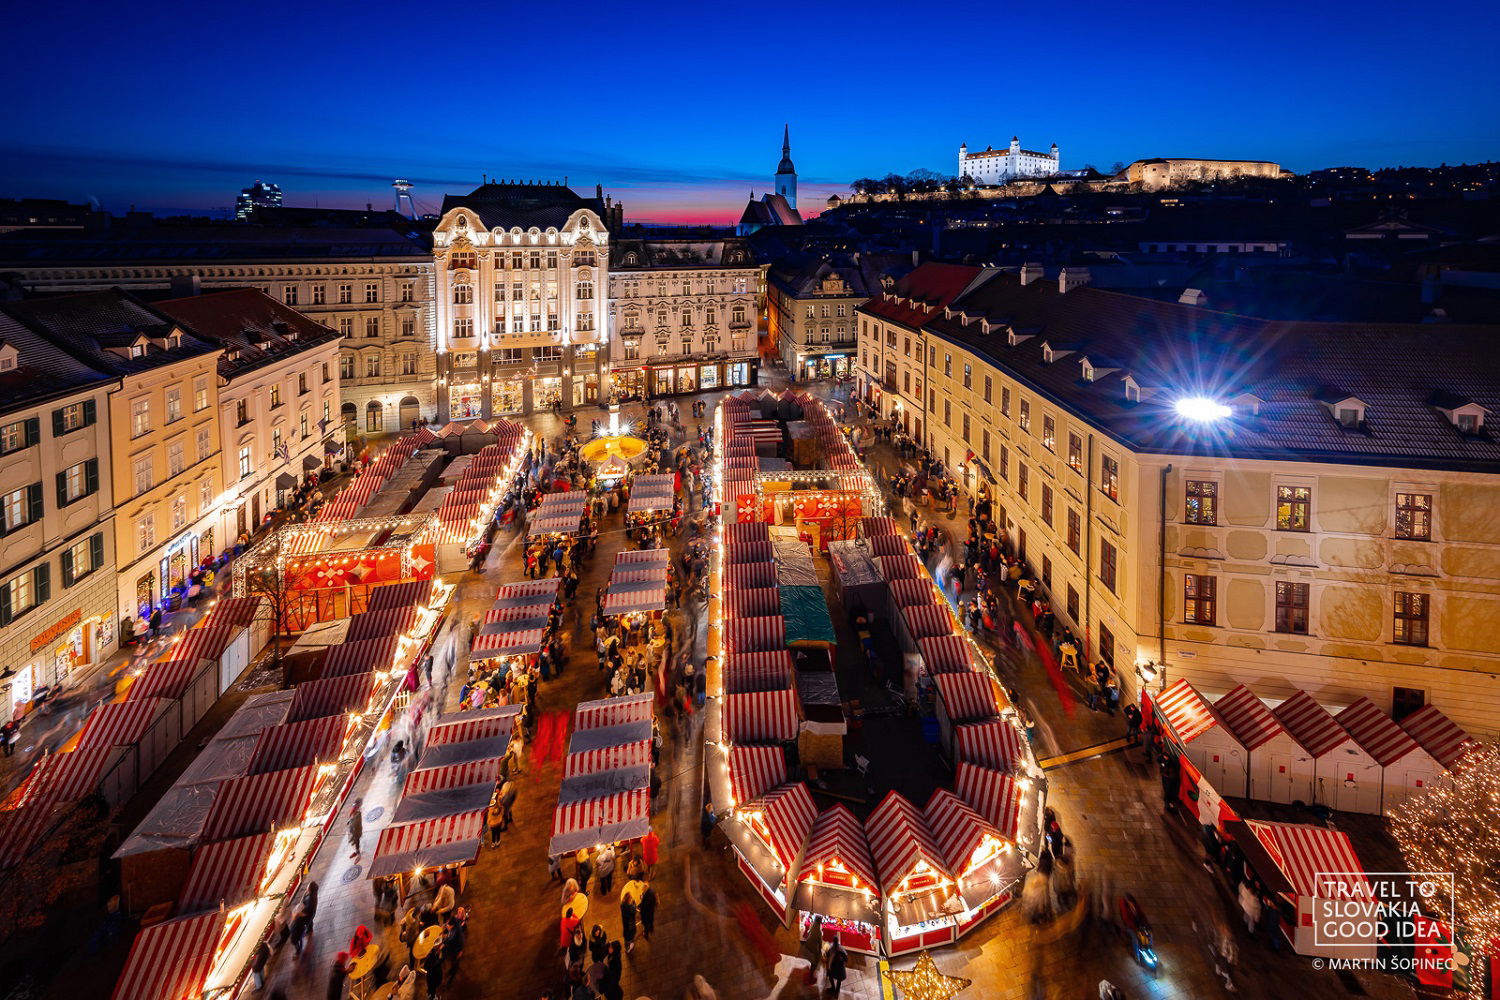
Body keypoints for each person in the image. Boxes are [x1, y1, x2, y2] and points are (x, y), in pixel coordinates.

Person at [804, 915, 824, 986]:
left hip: (809, 947)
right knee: (814, 963)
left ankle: (811, 972)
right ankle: (810, 978)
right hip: (814, 950)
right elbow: (820, 943)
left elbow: (808, 935)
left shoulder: (812, 927)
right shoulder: (818, 931)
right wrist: (820, 950)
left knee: (812, 962)